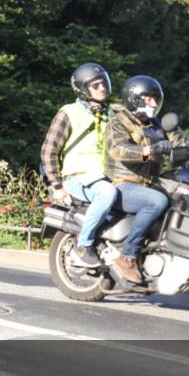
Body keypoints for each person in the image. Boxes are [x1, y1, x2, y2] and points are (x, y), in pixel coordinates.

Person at [105, 75, 189, 283]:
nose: (154, 104)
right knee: (157, 201)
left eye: (156, 99)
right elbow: (118, 150)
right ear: (135, 99)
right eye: (149, 99)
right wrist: (150, 150)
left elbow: (182, 143)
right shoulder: (118, 122)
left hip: (150, 183)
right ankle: (127, 255)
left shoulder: (156, 124)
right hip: (124, 184)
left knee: (186, 195)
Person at [40, 63, 118, 267]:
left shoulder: (110, 115)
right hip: (76, 178)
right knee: (106, 193)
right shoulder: (69, 112)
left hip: (104, 176)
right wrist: (57, 186)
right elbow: (49, 151)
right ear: (83, 89)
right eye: (96, 85)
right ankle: (83, 244)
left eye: (104, 83)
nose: (103, 88)